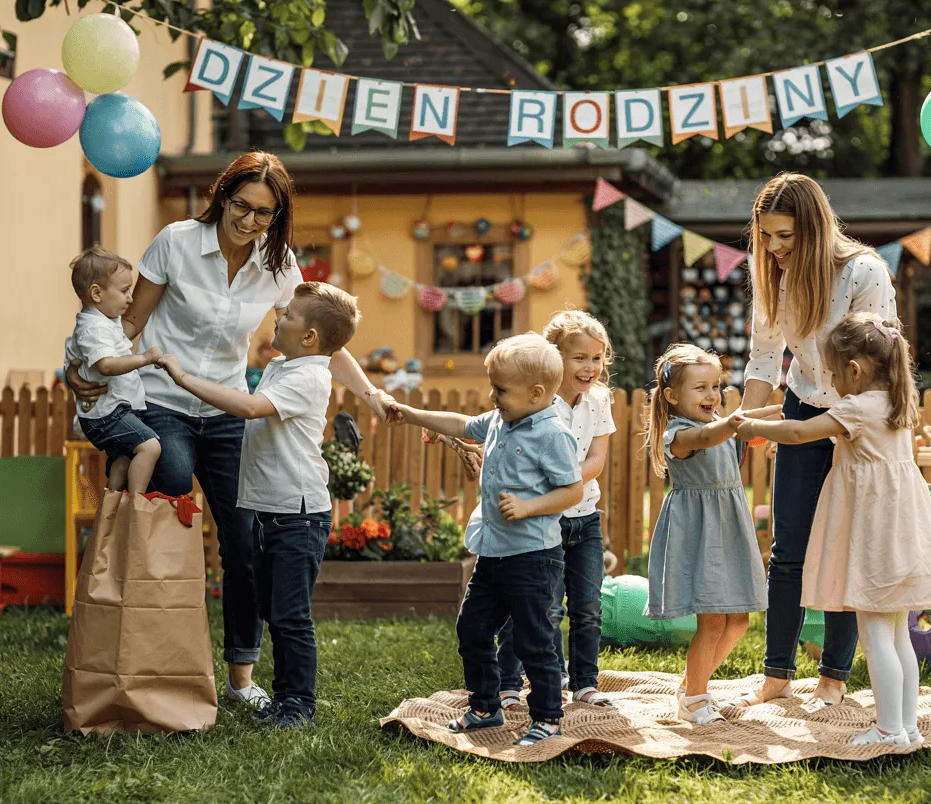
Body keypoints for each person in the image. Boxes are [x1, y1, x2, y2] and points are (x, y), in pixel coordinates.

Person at [64, 152, 394, 710]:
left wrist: (372, 393)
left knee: (242, 544)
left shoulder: (278, 263)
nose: (248, 221)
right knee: (166, 477)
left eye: (264, 213)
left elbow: (322, 335)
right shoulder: (176, 241)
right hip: (163, 400)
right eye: (241, 205)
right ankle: (149, 649)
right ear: (223, 196)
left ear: (277, 216)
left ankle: (241, 679)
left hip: (227, 405)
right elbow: (129, 322)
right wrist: (80, 368)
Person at [736, 313, 931, 745]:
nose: (832, 384)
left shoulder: (855, 407)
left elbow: (800, 432)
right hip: (902, 532)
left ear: (854, 371)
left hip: (874, 536)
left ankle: (888, 729)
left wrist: (752, 427)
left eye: (834, 375)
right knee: (897, 635)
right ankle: (907, 727)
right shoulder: (895, 401)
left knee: (874, 635)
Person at [155, 281, 361, 730]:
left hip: (297, 513)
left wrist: (185, 379)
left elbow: (249, 410)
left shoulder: (309, 376)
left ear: (309, 338)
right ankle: (286, 698)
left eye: (288, 315)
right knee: (274, 608)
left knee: (290, 616)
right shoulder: (283, 367)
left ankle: (297, 705)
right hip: (272, 511)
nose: (278, 317)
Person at [734, 172, 897, 708]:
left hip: (855, 421)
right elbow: (764, 357)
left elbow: (881, 361)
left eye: (786, 237)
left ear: (815, 228)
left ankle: (832, 678)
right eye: (767, 237)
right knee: (789, 551)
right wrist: (743, 425)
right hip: (802, 406)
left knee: (846, 550)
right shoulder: (772, 276)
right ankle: (776, 675)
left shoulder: (863, 272)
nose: (775, 249)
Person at [388, 333, 582, 747]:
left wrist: (529, 507)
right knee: (472, 628)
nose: (492, 395)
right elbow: (461, 424)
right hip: (492, 553)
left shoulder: (551, 434)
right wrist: (411, 414)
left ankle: (547, 717)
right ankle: (484, 707)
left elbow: (572, 491)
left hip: (532, 557)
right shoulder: (500, 420)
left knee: (534, 640)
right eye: (493, 386)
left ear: (535, 393)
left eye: (500, 389)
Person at [641, 344, 781, 724]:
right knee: (713, 622)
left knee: (739, 621)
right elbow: (711, 438)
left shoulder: (723, 424)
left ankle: (691, 683)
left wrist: (787, 417)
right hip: (700, 535)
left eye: (715, 386)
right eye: (700, 388)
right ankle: (696, 700)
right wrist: (739, 422)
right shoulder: (678, 434)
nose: (711, 395)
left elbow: (747, 428)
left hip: (730, 529)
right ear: (672, 397)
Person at [488, 310, 616, 709]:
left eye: (597, 358)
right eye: (579, 357)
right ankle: (509, 682)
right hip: (543, 522)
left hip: (585, 519)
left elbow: (597, 458)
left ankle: (583, 682)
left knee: (588, 606)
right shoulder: (535, 401)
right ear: (554, 357)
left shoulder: (598, 400)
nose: (590, 367)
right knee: (536, 606)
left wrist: (567, 483)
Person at [64, 245, 163, 496]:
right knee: (150, 447)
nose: (130, 298)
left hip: (113, 410)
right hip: (106, 415)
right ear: (96, 293)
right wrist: (145, 358)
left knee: (124, 458)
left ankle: (115, 500)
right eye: (124, 291)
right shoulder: (93, 328)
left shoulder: (105, 320)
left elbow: (73, 359)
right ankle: (135, 503)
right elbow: (106, 365)